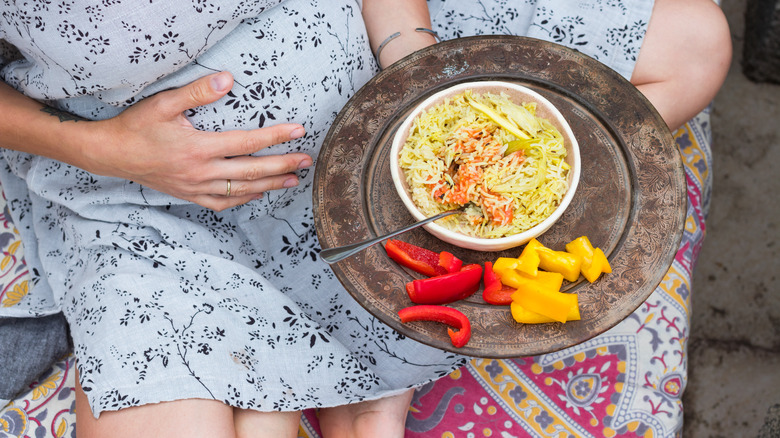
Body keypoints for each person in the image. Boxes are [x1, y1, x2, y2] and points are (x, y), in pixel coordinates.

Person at [0, 0, 729, 437]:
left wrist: (413, 60)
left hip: (351, 45)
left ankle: (375, 364)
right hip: (154, 184)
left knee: (695, 45)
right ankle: (352, 376)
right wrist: (101, 148)